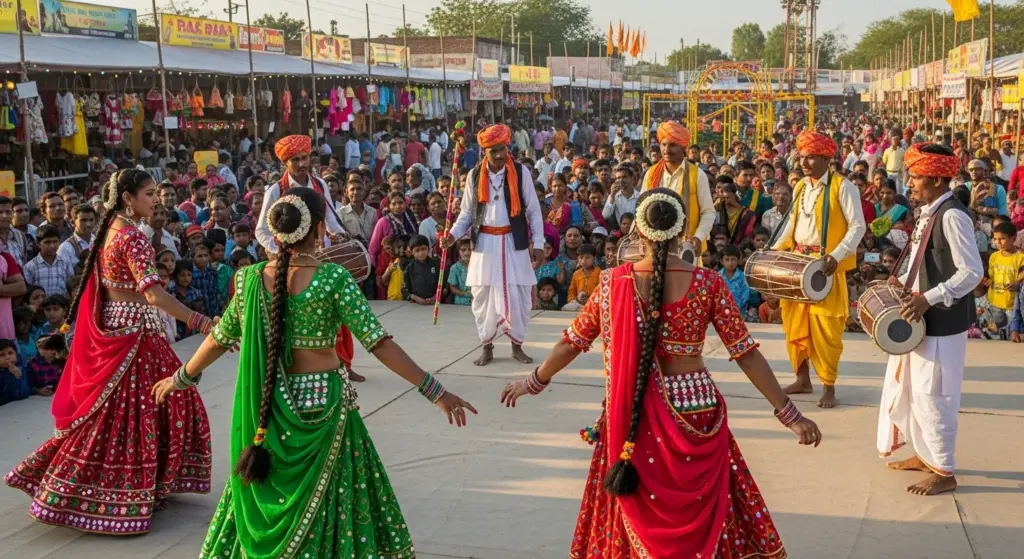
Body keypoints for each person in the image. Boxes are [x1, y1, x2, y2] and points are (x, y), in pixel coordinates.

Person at [151, 188, 475, 556]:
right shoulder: (333, 279)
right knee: (335, 496)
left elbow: (221, 338)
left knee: (263, 484)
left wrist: (182, 377)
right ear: (319, 229)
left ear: (275, 233)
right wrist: (434, 390)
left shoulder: (249, 280)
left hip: (268, 409)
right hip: (326, 406)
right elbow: (379, 343)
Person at [500, 188, 821, 558]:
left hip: (632, 409)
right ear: (683, 233)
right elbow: (746, 355)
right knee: (711, 510)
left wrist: (533, 381)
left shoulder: (612, 283)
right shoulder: (708, 283)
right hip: (696, 407)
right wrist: (790, 415)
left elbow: (572, 343)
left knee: (630, 506)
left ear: (636, 232)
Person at [5, 169, 214, 534]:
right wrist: (200, 321)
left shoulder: (110, 231)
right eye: (149, 194)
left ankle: (97, 487)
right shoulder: (132, 237)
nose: (155, 199)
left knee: (120, 413)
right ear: (128, 198)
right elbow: (152, 293)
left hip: (118, 329)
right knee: (149, 408)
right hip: (136, 336)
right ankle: (122, 492)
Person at [877, 143, 984, 496]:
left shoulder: (952, 215)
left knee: (936, 395)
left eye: (917, 176)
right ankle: (926, 456)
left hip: (941, 322)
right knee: (913, 390)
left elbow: (972, 272)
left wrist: (929, 298)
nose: (910, 183)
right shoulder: (928, 211)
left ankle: (944, 471)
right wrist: (900, 281)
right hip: (920, 318)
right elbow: (922, 260)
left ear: (938, 179)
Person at [256, 134, 365, 382]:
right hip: (290, 262)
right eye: (296, 160)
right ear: (286, 163)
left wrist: (339, 237)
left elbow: (330, 219)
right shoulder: (276, 190)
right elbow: (261, 230)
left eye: (305, 158)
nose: (303, 164)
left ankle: (343, 365)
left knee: (337, 314)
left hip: (321, 257)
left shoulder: (319, 185)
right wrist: (277, 250)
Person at [772, 130, 867, 408]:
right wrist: (776, 252)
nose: (805, 163)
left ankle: (828, 386)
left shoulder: (843, 187)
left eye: (811, 157)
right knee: (794, 324)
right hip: (798, 263)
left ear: (827, 159)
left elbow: (858, 226)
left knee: (826, 328)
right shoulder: (801, 186)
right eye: (802, 157)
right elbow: (792, 224)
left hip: (826, 267)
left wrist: (836, 256)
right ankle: (803, 380)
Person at [444, 124, 545, 366]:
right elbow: (466, 214)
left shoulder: (521, 173)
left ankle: (516, 346)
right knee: (482, 298)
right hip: (485, 245)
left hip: (514, 242)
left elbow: (533, 210)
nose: (500, 155)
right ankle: (487, 346)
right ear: (484, 152)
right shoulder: (474, 175)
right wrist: (453, 235)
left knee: (519, 296)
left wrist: (539, 242)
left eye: (503, 149)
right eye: (494, 151)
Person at [642, 121, 715, 254]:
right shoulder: (651, 174)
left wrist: (698, 237)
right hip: (655, 247)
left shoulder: (697, 174)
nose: (667, 150)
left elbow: (708, 212)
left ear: (683, 147)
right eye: (663, 145)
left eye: (673, 145)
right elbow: (641, 209)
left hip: (686, 247)